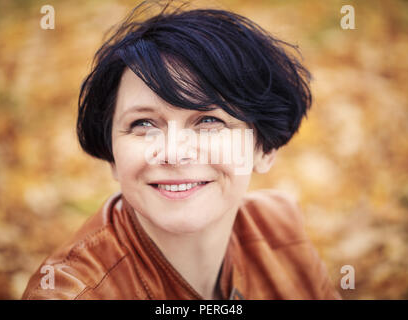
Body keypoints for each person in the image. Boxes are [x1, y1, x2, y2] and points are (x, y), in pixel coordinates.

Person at [22, 0, 341, 300]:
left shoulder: (280, 229)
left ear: (264, 148)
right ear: (113, 155)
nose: (174, 152)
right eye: (143, 124)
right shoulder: (71, 291)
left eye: (208, 120)